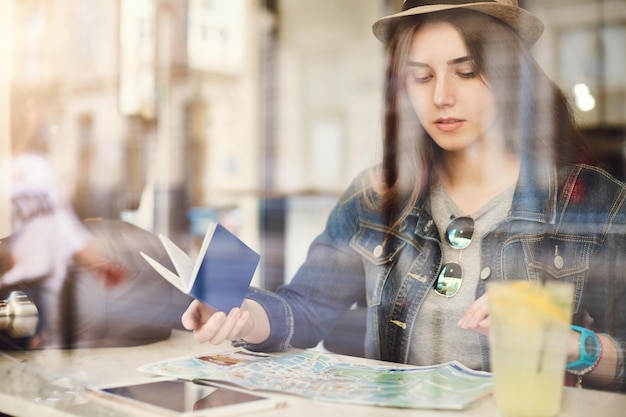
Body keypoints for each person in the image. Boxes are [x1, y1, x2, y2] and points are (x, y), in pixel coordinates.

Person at [182, 0, 626, 392]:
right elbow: (305, 308)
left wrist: (571, 345)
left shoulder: (589, 201)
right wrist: (241, 313)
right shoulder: (375, 197)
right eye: (421, 77)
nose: (441, 97)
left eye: (466, 72)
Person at [1, 91, 126, 348]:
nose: (33, 118)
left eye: (33, 110)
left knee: (24, 370)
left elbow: (62, 225)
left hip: (32, 290)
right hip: (7, 287)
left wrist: (97, 263)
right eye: (26, 110)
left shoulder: (40, 167)